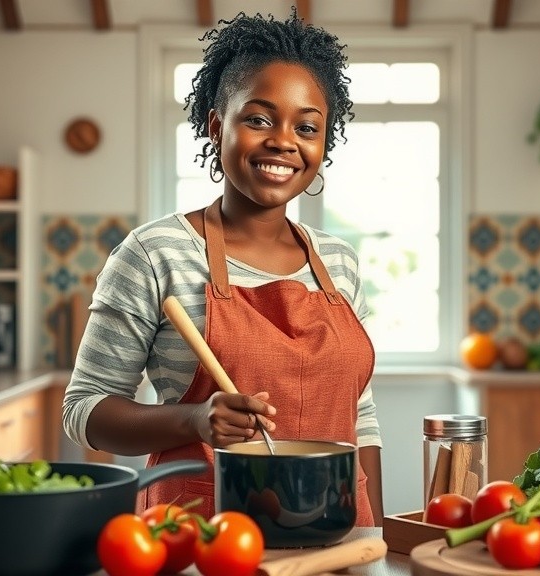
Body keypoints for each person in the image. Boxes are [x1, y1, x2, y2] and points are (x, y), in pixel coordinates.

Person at [63, 9, 384, 526]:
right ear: (217, 126)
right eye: (258, 118)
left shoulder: (338, 263)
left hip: (334, 533)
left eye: (306, 126)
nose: (283, 140)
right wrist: (193, 419)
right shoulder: (156, 251)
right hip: (199, 533)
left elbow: (361, 422)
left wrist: (375, 542)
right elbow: (84, 411)